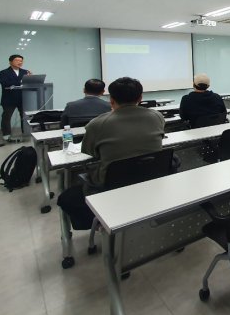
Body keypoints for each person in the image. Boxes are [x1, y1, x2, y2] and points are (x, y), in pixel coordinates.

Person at [57, 77, 166, 229]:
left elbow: (89, 152)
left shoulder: (97, 124)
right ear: (140, 98)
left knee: (67, 196)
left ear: (111, 99)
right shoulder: (157, 116)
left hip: (112, 184)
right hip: (150, 178)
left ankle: (98, 223)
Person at [0, 54, 31, 141]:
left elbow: (28, 83)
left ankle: (26, 132)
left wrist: (30, 78)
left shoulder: (25, 72)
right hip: (9, 99)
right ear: (10, 62)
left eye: (21, 61)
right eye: (17, 60)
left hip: (22, 98)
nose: (20, 62)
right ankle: (6, 134)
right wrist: (20, 81)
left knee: (24, 116)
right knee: (6, 116)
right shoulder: (3, 72)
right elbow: (5, 83)